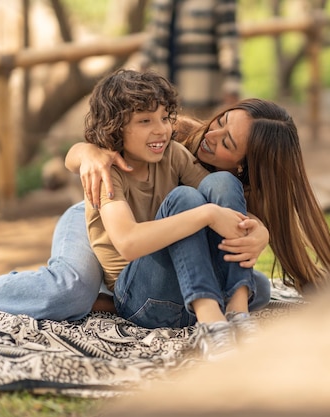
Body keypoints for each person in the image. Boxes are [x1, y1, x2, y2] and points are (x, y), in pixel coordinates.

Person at [0, 94, 330, 327]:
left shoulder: (233, 188)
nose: (211, 134)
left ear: (248, 166)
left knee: (259, 290)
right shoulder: (178, 134)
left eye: (226, 142)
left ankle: (116, 297)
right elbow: (81, 151)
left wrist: (263, 232)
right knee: (70, 290)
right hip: (102, 217)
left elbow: (240, 231)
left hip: (155, 250)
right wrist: (88, 155)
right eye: (221, 121)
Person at [80, 68, 266, 358]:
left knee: (223, 180)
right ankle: (211, 323)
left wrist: (258, 227)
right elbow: (128, 243)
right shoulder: (107, 173)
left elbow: (222, 194)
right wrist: (206, 215)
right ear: (115, 128)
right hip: (142, 301)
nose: (162, 130)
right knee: (184, 198)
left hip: (187, 292)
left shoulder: (173, 154)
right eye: (145, 121)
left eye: (165, 118)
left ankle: (238, 313)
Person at [136, 0, 241, 119]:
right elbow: (152, 39)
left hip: (201, 92)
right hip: (163, 92)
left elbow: (228, 45)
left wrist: (232, 87)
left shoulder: (220, 3)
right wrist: (141, 76)